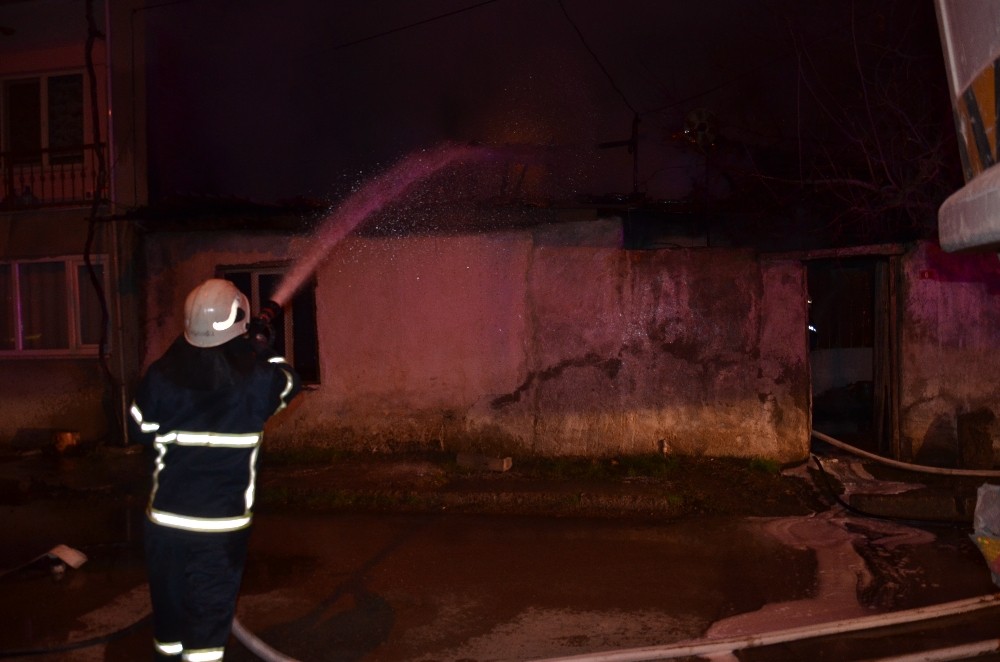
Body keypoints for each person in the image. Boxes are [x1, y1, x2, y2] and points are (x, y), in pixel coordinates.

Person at [128, 278, 301, 661]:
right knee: (207, 624)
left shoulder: (161, 374)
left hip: (165, 525)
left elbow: (139, 430)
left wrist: (185, 354)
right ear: (238, 319)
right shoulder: (257, 380)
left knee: (169, 620)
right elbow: (290, 381)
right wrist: (258, 348)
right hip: (218, 530)